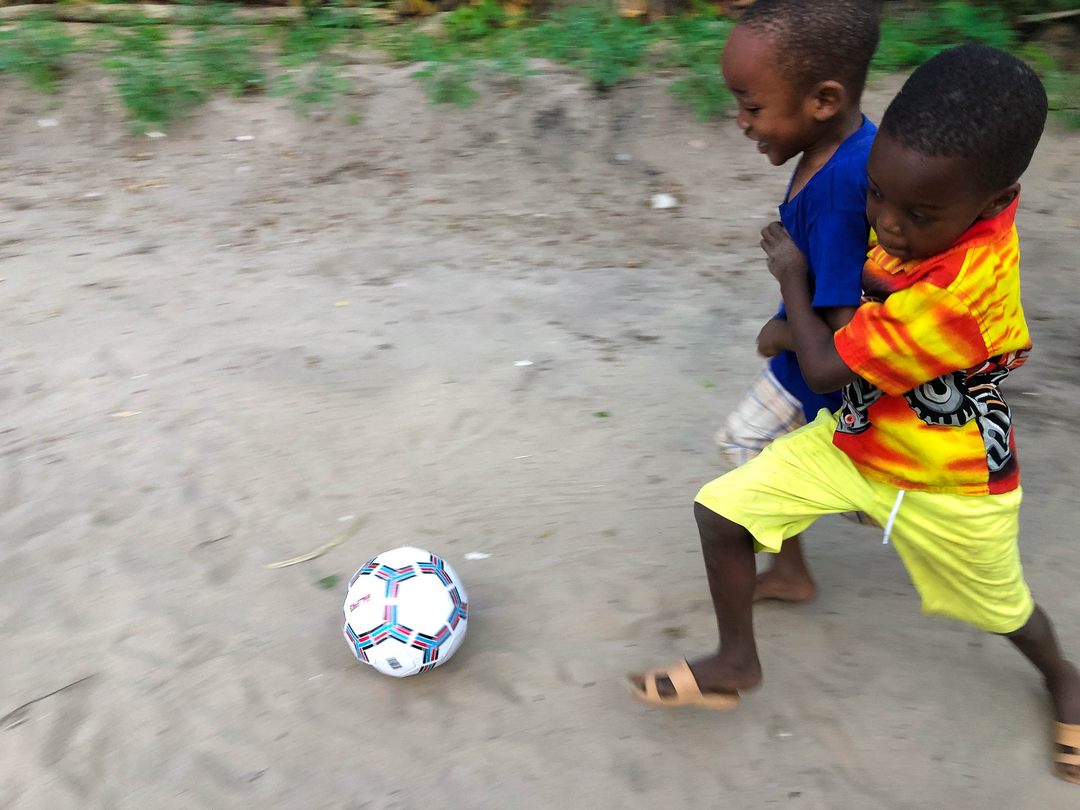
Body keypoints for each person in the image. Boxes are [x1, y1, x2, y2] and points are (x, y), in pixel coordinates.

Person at [630, 44, 1080, 785]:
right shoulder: (942, 198)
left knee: (1005, 610)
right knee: (721, 513)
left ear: (994, 201)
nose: (889, 226)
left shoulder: (955, 298)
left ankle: (1064, 678)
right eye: (876, 195)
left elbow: (826, 368)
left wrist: (791, 282)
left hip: (952, 485)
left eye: (917, 214)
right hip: (858, 442)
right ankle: (736, 662)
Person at [712, 0, 881, 605]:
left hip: (822, 374)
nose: (741, 122)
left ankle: (879, 502)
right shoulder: (843, 147)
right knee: (749, 442)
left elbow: (843, 343)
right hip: (807, 365)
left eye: (753, 106)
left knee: (864, 496)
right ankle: (791, 570)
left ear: (823, 100)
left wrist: (778, 333)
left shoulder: (837, 197)